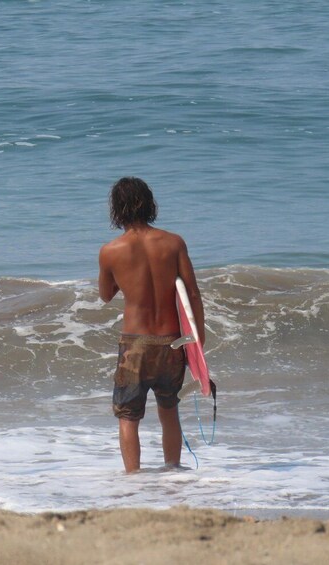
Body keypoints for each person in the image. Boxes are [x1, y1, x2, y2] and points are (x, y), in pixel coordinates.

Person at [98, 177, 206, 473]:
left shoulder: (110, 251)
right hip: (173, 341)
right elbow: (193, 293)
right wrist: (199, 338)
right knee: (169, 410)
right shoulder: (173, 243)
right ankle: (173, 471)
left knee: (128, 416)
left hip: (135, 345)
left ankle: (133, 478)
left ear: (117, 209)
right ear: (149, 203)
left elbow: (106, 295)